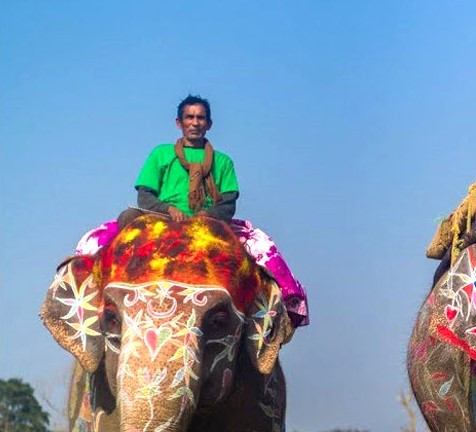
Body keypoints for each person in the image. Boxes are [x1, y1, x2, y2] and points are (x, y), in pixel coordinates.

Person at [73, 94, 309, 328]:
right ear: (179, 123)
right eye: (189, 117)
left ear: (209, 124)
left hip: (208, 222)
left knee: (259, 248)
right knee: (114, 231)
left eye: (200, 118)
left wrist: (206, 216)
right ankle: (95, 298)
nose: (195, 122)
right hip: (161, 217)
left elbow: (228, 203)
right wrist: (169, 209)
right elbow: (144, 195)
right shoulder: (161, 154)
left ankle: (276, 309)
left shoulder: (223, 162)